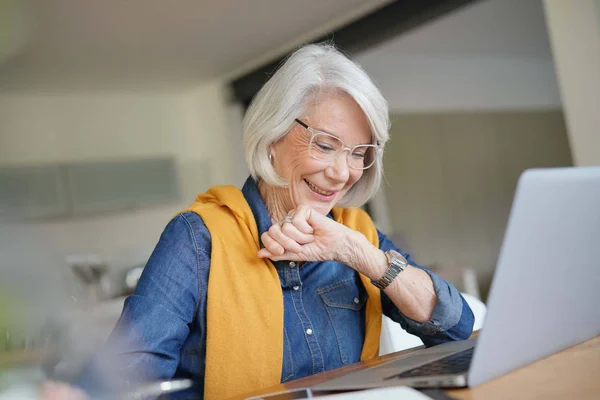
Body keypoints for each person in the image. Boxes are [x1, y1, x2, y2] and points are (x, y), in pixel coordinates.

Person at [58, 43, 474, 400]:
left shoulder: (356, 233)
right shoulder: (197, 239)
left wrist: (358, 253)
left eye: (358, 151)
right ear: (272, 135)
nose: (343, 172)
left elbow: (455, 329)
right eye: (326, 145)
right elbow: (126, 383)